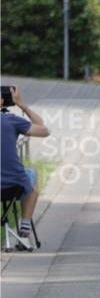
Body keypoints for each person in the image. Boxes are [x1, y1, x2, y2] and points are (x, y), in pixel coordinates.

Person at [1, 86, 50, 250]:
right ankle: (24, 230)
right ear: (2, 101)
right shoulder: (11, 120)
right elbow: (44, 130)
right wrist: (22, 105)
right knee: (32, 173)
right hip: (13, 185)